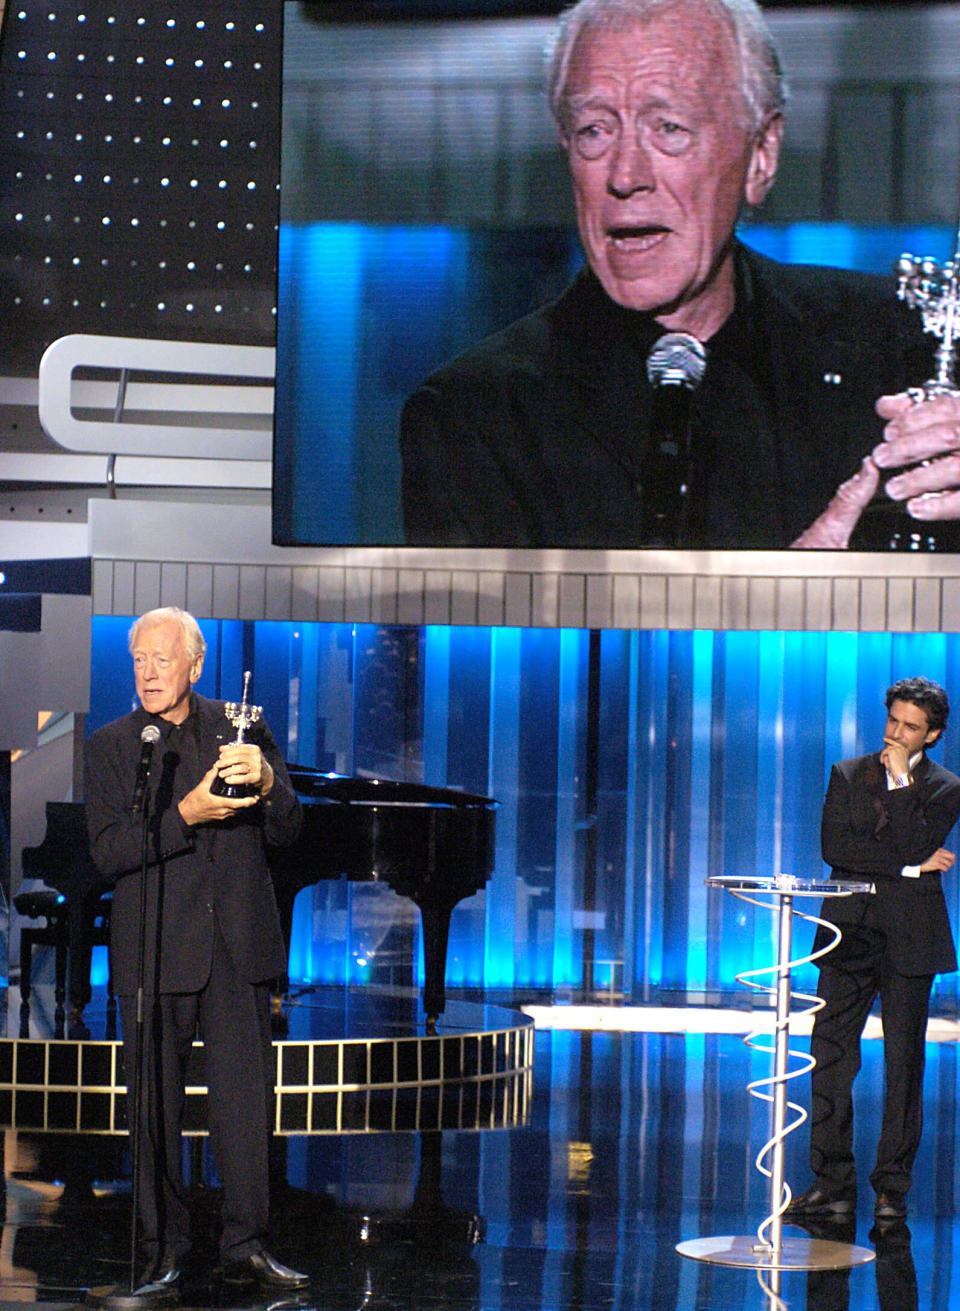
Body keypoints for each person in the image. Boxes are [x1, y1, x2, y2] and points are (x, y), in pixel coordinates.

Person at [399, 0, 960, 552]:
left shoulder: (898, 345)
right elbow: (500, 645)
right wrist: (791, 613)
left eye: (668, 128)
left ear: (760, 157)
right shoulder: (475, 417)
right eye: (594, 130)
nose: (624, 175)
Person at [84, 607, 309, 1294]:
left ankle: (246, 1243)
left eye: (161, 658)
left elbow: (293, 829)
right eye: (138, 660)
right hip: (156, 949)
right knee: (154, 1109)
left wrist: (268, 782)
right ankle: (164, 1250)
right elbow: (107, 853)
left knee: (245, 1108)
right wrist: (187, 813)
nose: (148, 672)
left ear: (195, 663)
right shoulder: (114, 745)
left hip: (237, 948)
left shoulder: (240, 726)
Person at [787, 677, 960, 1222]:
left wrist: (903, 784)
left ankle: (892, 1188)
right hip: (849, 933)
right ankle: (831, 1182)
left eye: (911, 727)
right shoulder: (846, 774)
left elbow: (908, 839)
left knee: (903, 1064)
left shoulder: (944, 786)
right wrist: (910, 866)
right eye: (893, 721)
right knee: (832, 1055)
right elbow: (834, 849)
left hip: (910, 938)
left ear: (930, 735)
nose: (897, 733)